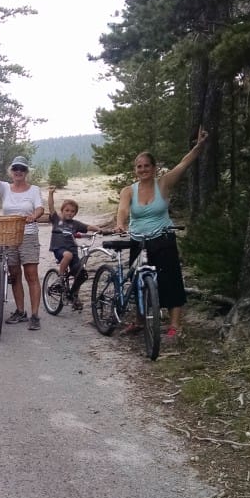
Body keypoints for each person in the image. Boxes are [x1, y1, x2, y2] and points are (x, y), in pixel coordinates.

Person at [115, 128, 209, 340]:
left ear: (154, 168)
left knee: (170, 279)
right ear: (135, 170)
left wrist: (199, 146)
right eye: (139, 167)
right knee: (138, 280)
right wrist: (120, 224)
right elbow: (122, 209)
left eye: (147, 166)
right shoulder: (129, 190)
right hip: (138, 241)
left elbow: (184, 163)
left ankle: (175, 324)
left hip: (163, 238)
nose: (143, 169)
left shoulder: (163, 183)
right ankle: (140, 321)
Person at [0, 156, 44, 330]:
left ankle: (35, 315)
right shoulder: (6, 188)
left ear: (26, 172)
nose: (18, 172)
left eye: (22, 169)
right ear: (11, 171)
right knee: (15, 274)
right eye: (16, 168)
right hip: (8, 236)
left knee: (31, 274)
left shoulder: (34, 190)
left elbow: (40, 207)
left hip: (28, 235)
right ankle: (20, 310)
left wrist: (34, 216)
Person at [47, 186, 104, 309]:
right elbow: (51, 207)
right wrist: (51, 194)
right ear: (62, 211)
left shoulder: (75, 224)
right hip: (59, 249)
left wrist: (99, 229)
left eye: (72, 211)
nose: (69, 213)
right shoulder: (56, 220)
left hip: (73, 251)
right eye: (67, 210)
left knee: (81, 273)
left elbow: (88, 227)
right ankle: (60, 279)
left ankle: (73, 296)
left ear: (75, 213)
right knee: (68, 255)